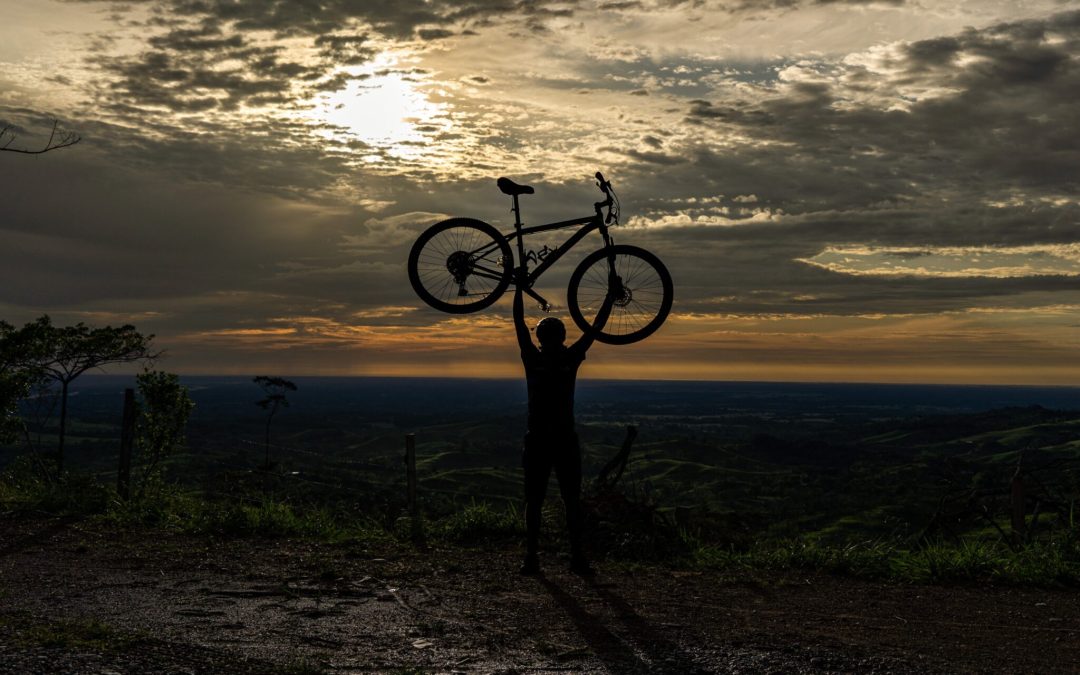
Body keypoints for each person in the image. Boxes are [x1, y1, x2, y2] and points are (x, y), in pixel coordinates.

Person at [514, 267, 614, 576]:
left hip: (538, 439)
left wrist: (518, 288)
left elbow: (518, 325)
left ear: (541, 339)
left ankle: (532, 557)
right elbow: (596, 327)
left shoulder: (534, 358)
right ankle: (577, 557)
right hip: (564, 439)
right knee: (571, 500)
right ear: (563, 338)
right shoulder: (570, 358)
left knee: (535, 500)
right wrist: (609, 295)